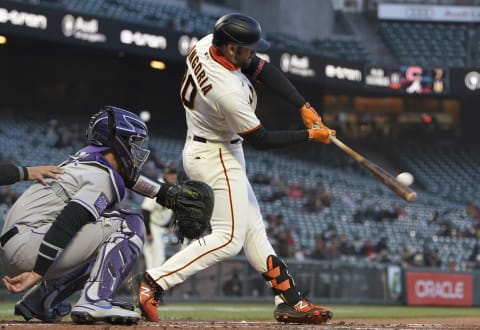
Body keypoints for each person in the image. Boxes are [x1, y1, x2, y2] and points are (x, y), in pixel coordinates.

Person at [131, 13, 335, 325]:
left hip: (212, 146)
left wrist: (303, 106)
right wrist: (311, 134)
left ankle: (290, 302)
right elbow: (262, 140)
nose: (254, 54)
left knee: (255, 233)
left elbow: (262, 70)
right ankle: (154, 281)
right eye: (248, 48)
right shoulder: (225, 90)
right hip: (216, 153)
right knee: (229, 239)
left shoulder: (206, 45)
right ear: (229, 48)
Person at [0, 106, 213, 325]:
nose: (137, 150)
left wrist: (165, 194)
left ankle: (40, 301)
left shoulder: (86, 160)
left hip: (22, 242)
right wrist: (37, 272)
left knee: (104, 245)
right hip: (31, 246)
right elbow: (69, 220)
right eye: (133, 143)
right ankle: (95, 300)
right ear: (118, 142)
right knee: (128, 222)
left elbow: (130, 180)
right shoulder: (101, 175)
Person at [141, 164, 178, 268]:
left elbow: (175, 209)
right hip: (153, 227)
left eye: (174, 173)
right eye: (170, 173)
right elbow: (145, 210)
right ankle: (151, 282)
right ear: (165, 174)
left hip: (164, 229)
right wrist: (148, 232)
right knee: (155, 260)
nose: (173, 176)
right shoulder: (157, 187)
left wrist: (171, 225)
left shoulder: (175, 187)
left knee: (175, 252)